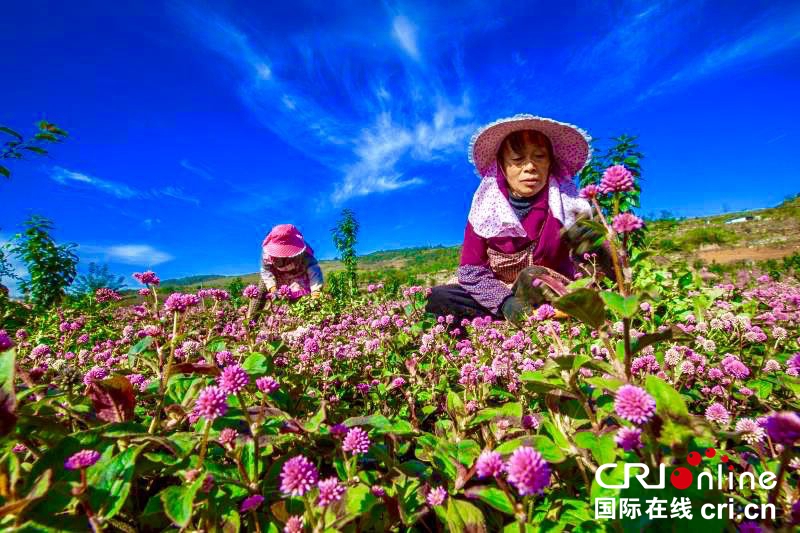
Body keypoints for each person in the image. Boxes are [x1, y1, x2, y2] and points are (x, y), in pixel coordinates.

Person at [425, 114, 612, 328]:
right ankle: (509, 326)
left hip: (551, 294)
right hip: (498, 297)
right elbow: (471, 270)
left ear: (550, 164)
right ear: (503, 167)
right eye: (517, 159)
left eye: (539, 157)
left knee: (533, 277)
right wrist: (505, 302)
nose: (530, 167)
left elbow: (601, 268)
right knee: (440, 297)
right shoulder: (484, 212)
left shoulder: (570, 206)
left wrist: (598, 246)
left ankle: (534, 324)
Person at [247, 224, 323, 319]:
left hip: (297, 276)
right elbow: (266, 271)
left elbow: (314, 270)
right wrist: (272, 288)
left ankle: (296, 321)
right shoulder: (267, 254)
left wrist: (316, 290)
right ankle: (250, 322)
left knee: (297, 301)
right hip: (275, 275)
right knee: (259, 296)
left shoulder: (304, 253)